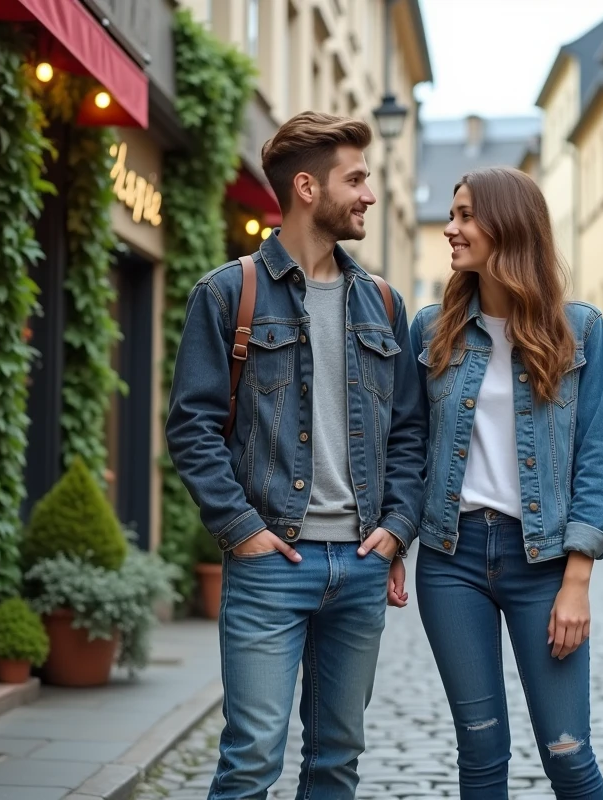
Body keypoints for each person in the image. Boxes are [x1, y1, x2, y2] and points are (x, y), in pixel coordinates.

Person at [166, 111, 425, 800]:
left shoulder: (383, 305)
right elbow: (191, 427)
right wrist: (241, 529)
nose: (369, 194)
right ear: (307, 187)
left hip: (361, 566)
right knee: (251, 760)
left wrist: (398, 529)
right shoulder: (228, 293)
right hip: (270, 564)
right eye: (357, 179)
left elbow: (407, 434)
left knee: (337, 761)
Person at [410, 166, 603, 799]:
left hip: (545, 563)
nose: (451, 228)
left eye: (466, 215)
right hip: (452, 560)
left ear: (508, 225)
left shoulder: (579, 331)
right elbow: (409, 448)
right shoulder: (431, 331)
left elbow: (599, 456)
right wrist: (393, 539)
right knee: (478, 749)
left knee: (567, 751)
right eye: (452, 214)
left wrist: (576, 581)